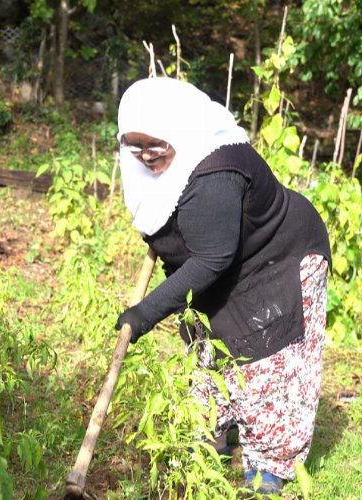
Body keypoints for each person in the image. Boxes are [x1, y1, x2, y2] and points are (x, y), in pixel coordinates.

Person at [114, 77, 330, 495]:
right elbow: (188, 243)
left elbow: (212, 259)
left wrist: (145, 314)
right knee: (209, 348)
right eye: (135, 146)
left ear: (178, 130)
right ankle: (220, 431)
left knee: (269, 364)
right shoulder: (151, 167)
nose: (145, 156)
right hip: (227, 263)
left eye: (155, 145)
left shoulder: (215, 172)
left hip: (279, 258)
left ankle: (269, 465)